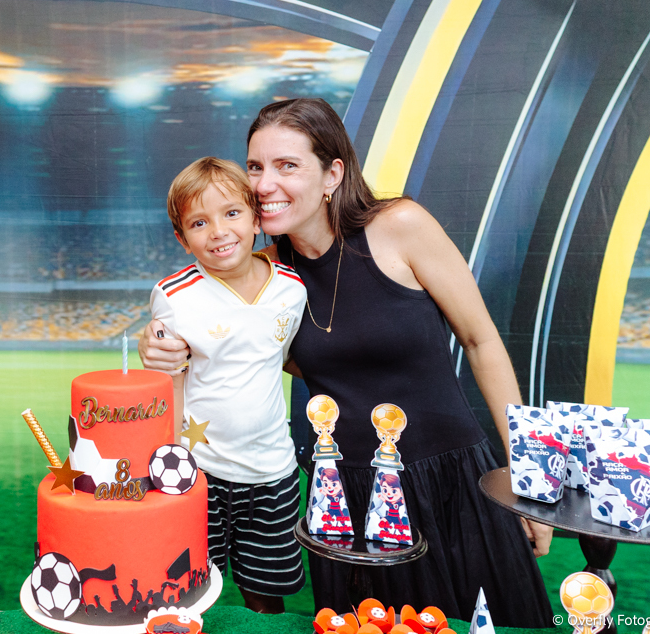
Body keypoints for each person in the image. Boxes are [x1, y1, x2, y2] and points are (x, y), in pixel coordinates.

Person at [140, 99, 554, 625]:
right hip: (343, 499)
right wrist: (155, 341)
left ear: (332, 173)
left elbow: (482, 342)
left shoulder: (400, 225)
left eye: (287, 165)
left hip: (450, 485)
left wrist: (530, 478)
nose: (265, 183)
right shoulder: (265, 275)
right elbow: (195, 322)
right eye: (256, 166)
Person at [150, 157, 307, 614]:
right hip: (200, 472)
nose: (218, 231)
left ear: (257, 218)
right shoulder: (174, 296)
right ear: (182, 239)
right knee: (191, 595)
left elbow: (277, 357)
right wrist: (167, 463)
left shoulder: (292, 289)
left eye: (232, 213)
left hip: (272, 471)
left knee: (265, 597)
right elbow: (169, 381)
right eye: (199, 222)